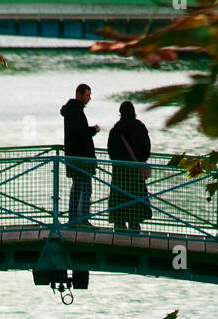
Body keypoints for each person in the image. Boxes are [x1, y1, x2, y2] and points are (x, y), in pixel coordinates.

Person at [107, 101, 152, 231]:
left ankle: (119, 225)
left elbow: (111, 151)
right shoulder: (140, 127)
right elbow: (146, 149)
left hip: (119, 172)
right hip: (135, 171)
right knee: (135, 198)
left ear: (120, 112)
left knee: (119, 198)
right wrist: (141, 159)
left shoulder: (116, 129)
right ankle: (134, 225)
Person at [61, 84, 99, 227]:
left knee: (77, 188)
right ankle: (82, 220)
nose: (89, 98)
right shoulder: (76, 111)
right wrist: (93, 130)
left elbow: (76, 131)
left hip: (73, 155)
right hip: (81, 157)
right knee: (86, 189)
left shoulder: (71, 110)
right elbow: (80, 132)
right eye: (87, 95)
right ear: (79, 94)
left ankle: (73, 219)